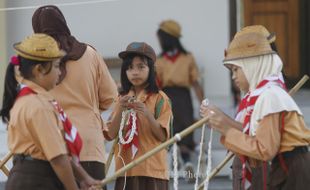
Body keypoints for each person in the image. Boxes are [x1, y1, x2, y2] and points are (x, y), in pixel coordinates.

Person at [200, 30, 310, 190]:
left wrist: (226, 129)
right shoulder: (265, 94)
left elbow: (265, 149)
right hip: (281, 167)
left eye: (236, 70)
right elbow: (256, 137)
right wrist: (222, 126)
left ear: (252, 66)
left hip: (289, 170)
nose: (233, 76)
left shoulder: (270, 95)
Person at [0, 33, 101, 190]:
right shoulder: (39, 106)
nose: (60, 72)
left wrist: (85, 178)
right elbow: (58, 158)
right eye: (56, 66)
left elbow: (59, 152)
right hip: (37, 180)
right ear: (39, 69)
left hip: (25, 177)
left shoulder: (24, 100)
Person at [32, 5, 118, 184]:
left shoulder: (35, 62)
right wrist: (90, 106)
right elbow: (110, 96)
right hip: (89, 144)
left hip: (51, 146)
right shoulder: (90, 54)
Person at [104, 42, 173, 190]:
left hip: (153, 170)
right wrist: (121, 109)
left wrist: (147, 113)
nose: (135, 72)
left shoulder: (160, 99)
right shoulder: (121, 99)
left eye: (141, 67)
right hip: (125, 170)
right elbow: (110, 134)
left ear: (151, 70)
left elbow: (163, 136)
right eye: (129, 68)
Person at [229, 25, 279, 190]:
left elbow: (254, 136)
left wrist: (223, 123)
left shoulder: (269, 94)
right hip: (246, 161)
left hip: (261, 166)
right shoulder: (253, 91)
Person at [155, 19, 204, 171]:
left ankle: (185, 160)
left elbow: (195, 83)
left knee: (185, 128)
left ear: (167, 39)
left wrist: (204, 106)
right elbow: (156, 84)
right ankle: (183, 160)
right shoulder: (160, 60)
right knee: (171, 128)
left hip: (184, 98)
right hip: (166, 97)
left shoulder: (188, 58)